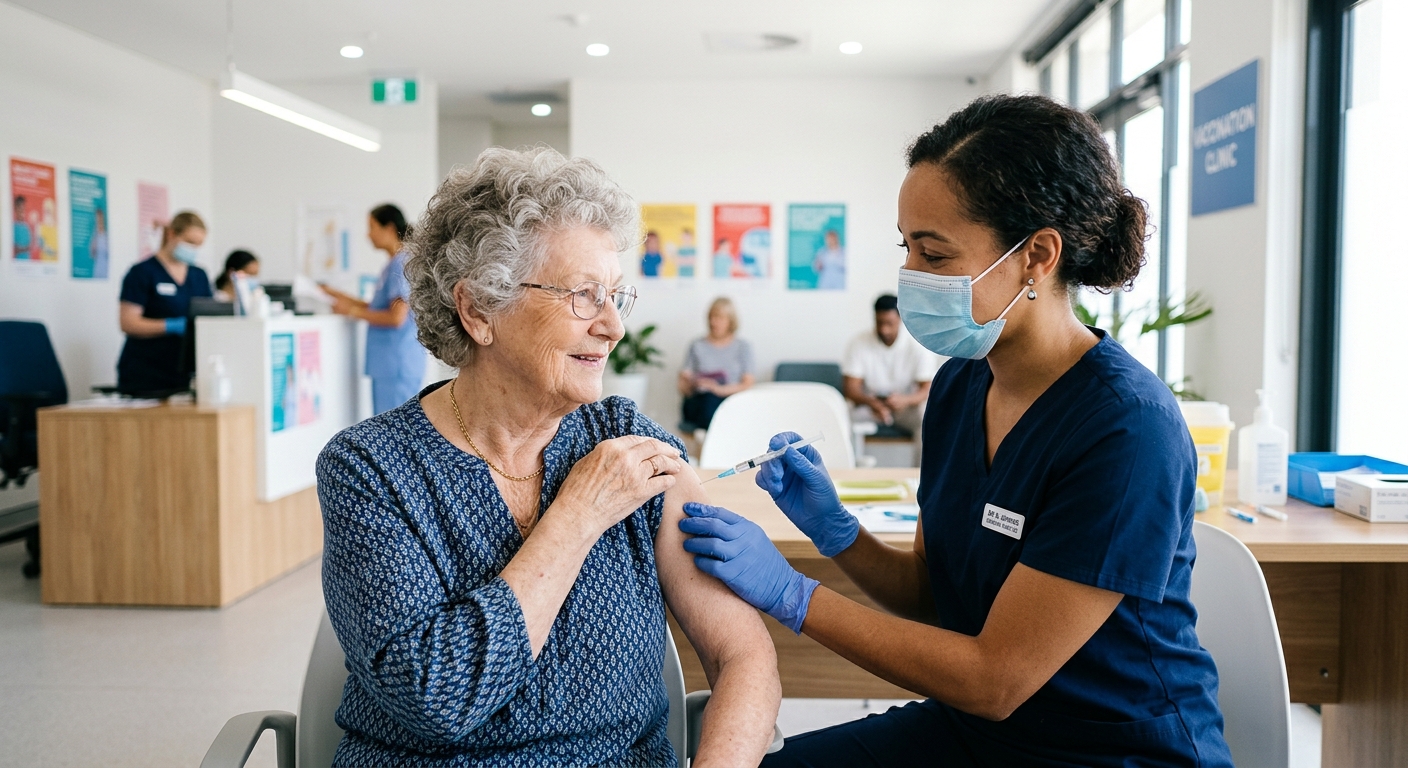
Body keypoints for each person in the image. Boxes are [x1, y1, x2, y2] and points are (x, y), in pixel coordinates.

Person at [678, 94, 1233, 767]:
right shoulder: (960, 387)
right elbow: (932, 593)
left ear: (1037, 255)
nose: (910, 276)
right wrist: (838, 532)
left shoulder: (1126, 429)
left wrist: (791, 593)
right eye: (906, 247)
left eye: (935, 254)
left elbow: (995, 678)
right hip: (978, 732)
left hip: (1110, 749)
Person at [316, 147, 779, 766]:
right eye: (584, 295)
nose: (613, 327)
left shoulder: (624, 439)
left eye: (615, 296)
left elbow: (744, 656)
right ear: (479, 309)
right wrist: (578, 514)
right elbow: (436, 700)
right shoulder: (370, 469)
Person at [323, 203, 427, 415]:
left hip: (396, 364)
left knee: (393, 429)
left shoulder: (401, 263)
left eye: (372, 227)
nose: (368, 235)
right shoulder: (394, 263)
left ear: (389, 228)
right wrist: (336, 295)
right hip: (392, 365)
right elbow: (376, 306)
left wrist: (351, 312)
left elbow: (396, 317)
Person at [116, 211, 213, 394]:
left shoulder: (199, 276)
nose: (193, 249)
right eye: (190, 242)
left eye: (198, 245)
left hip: (185, 371)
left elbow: (209, 314)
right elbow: (128, 322)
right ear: (171, 234)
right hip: (146, 372)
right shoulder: (142, 272)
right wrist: (170, 326)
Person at [841, 293, 944, 438]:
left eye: (889, 323)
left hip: (906, 408)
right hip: (870, 407)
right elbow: (851, 389)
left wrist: (905, 400)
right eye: (879, 323)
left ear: (900, 319)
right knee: (842, 414)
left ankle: (923, 455)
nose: (884, 330)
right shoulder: (859, 343)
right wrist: (872, 403)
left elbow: (928, 389)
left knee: (927, 416)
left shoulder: (918, 345)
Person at [677, 297, 754, 430]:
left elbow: (748, 383)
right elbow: (684, 388)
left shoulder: (742, 347)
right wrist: (689, 382)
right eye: (711, 317)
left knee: (713, 404)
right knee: (705, 401)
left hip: (729, 400)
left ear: (730, 321)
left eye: (719, 318)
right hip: (700, 400)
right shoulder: (697, 345)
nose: (714, 322)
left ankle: (709, 433)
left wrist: (718, 389)